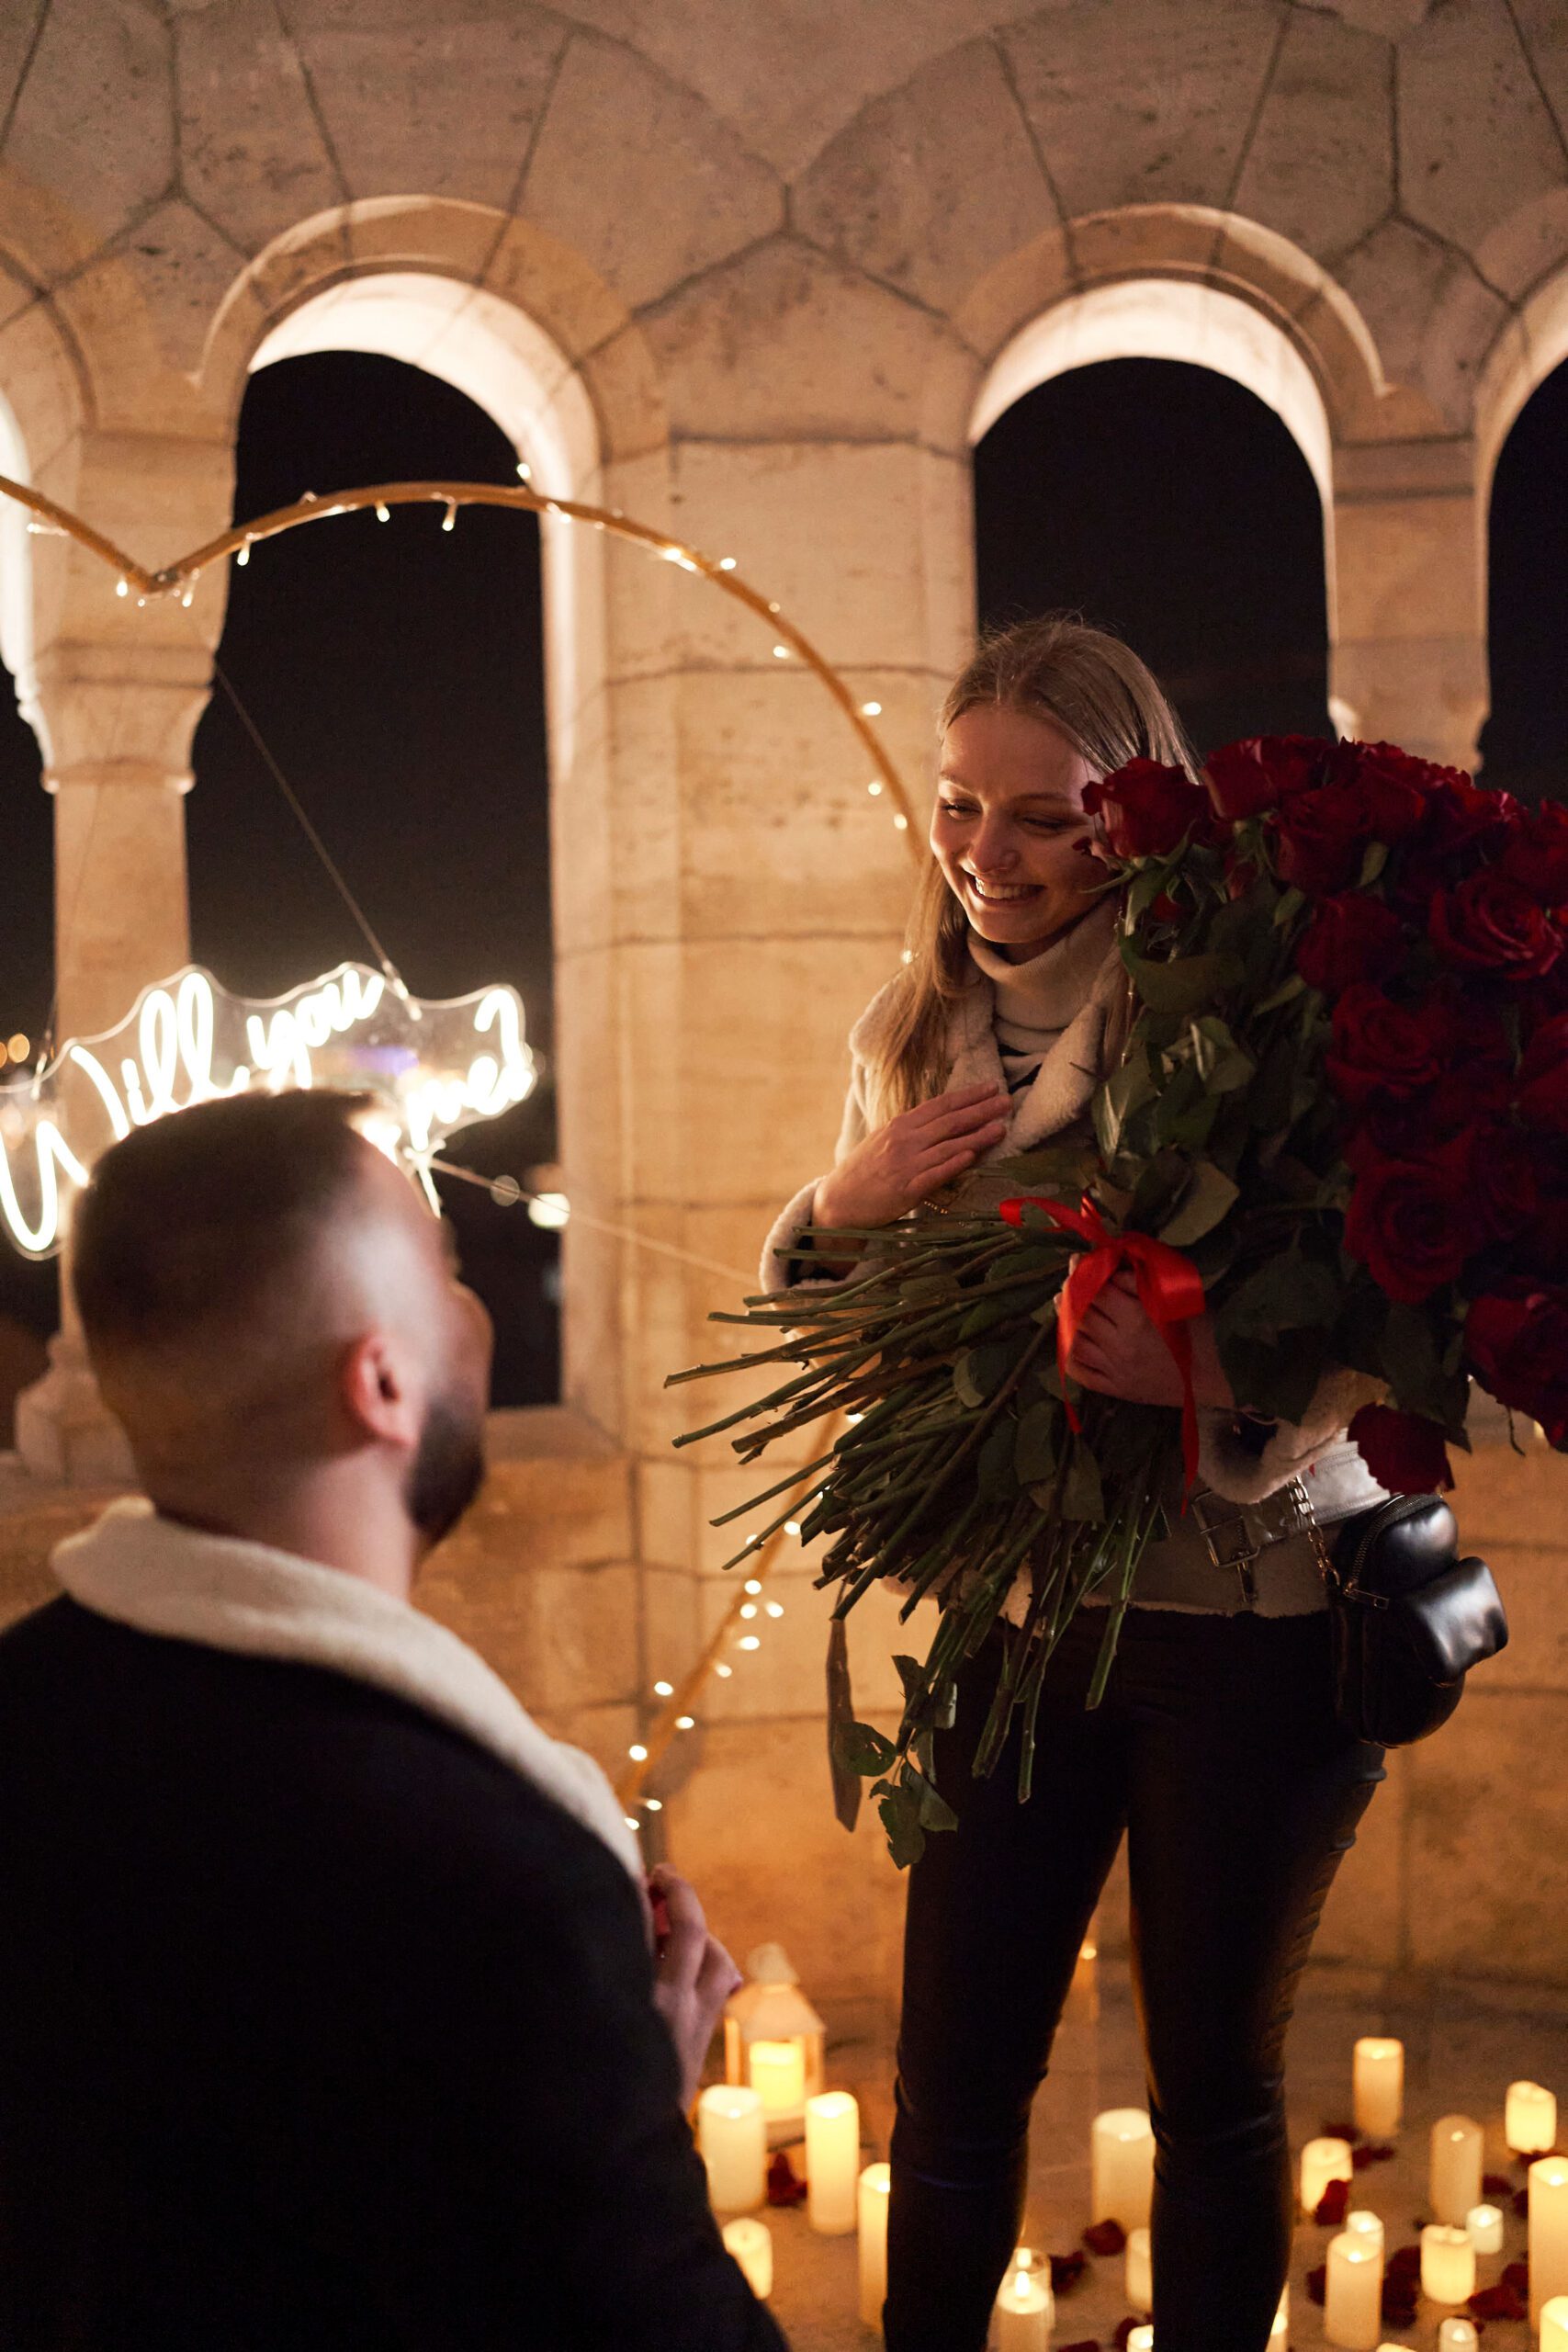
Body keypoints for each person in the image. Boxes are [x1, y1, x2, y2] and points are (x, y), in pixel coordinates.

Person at [760, 616, 1390, 2352]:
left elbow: (1373, 1329)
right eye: (961, 804)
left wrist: (1206, 1386)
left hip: (1248, 1617)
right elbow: (858, 1338)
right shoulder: (913, 1030)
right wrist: (839, 1210)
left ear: (1136, 812)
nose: (987, 853)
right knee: (953, 2085)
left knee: (1215, 2092)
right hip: (1018, 1618)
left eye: (1043, 816)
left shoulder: (1248, 1008)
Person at [0, 1089, 785, 2352]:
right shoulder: (506, 1887)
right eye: (447, 1269)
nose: (475, 1310)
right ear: (378, 1380)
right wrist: (635, 2097)